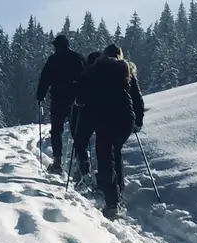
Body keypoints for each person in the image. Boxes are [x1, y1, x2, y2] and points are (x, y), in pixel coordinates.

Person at [76, 45, 144, 219]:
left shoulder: (94, 70)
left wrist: (79, 102)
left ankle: (112, 203)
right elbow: (137, 98)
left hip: (106, 118)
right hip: (126, 119)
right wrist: (138, 121)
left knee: (106, 159)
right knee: (115, 152)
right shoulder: (126, 70)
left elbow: (81, 98)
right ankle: (118, 191)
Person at [35, 34, 85, 175]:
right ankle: (81, 163)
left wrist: (40, 96)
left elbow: (44, 79)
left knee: (56, 130)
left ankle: (57, 162)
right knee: (77, 132)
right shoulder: (78, 58)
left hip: (58, 99)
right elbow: (86, 77)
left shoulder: (53, 59)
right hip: (76, 100)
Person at [69, 50, 103, 180]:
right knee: (105, 147)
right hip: (105, 115)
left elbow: (80, 99)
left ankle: (83, 170)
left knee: (80, 141)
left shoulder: (87, 74)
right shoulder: (109, 74)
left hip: (86, 114)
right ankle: (105, 179)